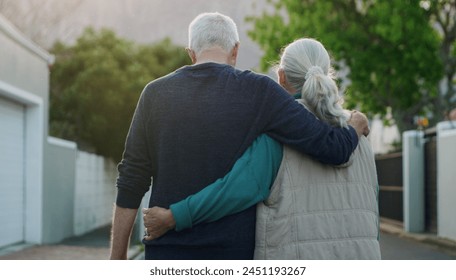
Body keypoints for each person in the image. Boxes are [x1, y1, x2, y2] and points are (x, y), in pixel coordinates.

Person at [110, 12, 369, 260]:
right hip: (233, 254)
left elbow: (132, 178)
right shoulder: (260, 91)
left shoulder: (154, 94)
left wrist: (117, 256)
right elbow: (332, 148)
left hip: (167, 252)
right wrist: (355, 124)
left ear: (191, 54)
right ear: (235, 50)